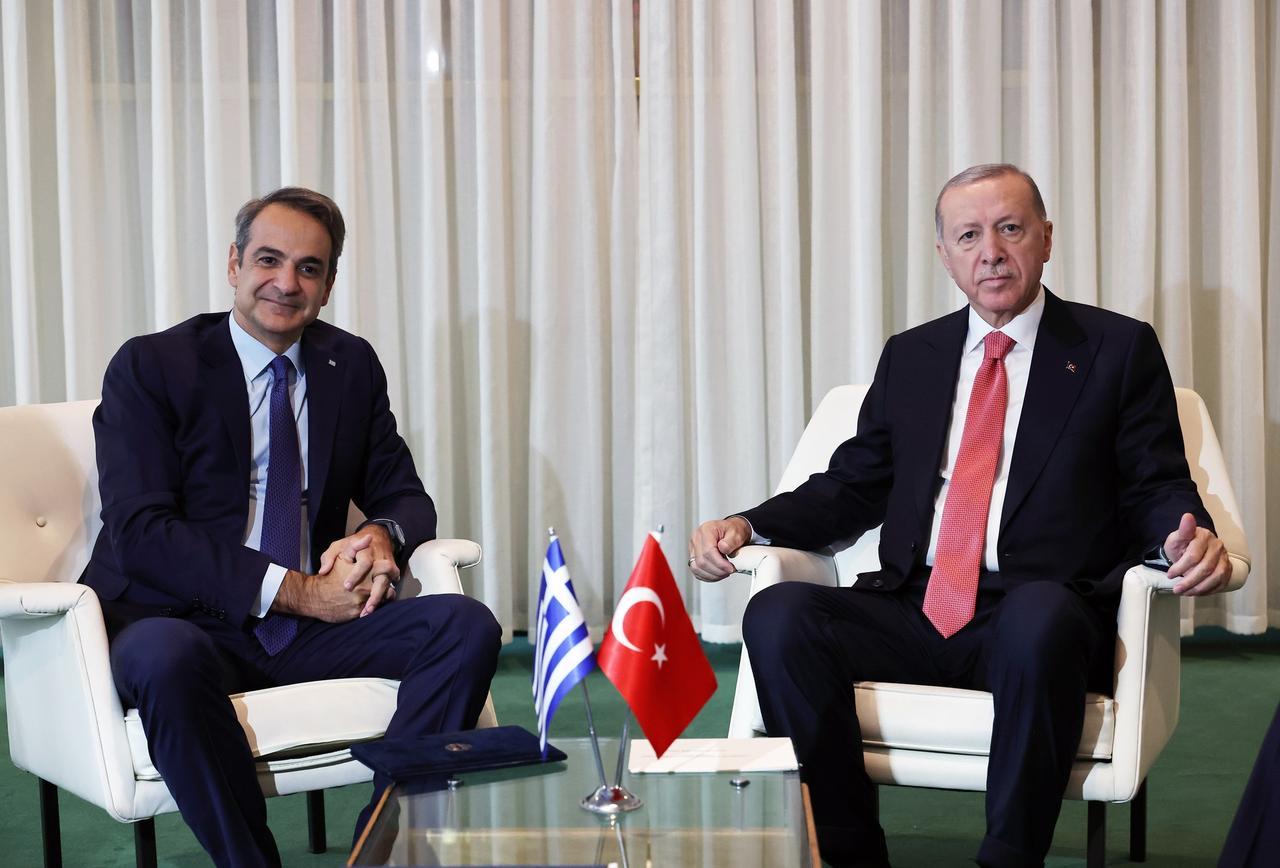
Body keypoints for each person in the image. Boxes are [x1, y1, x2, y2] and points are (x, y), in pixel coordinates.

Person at [688, 164, 1234, 868]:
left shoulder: (1114, 350)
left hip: (1038, 613)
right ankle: (849, 850)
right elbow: (854, 486)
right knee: (780, 616)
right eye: (969, 235)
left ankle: (1007, 858)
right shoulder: (913, 357)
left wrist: (1185, 538)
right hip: (916, 608)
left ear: (1045, 239)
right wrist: (746, 524)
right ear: (945, 257)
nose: (992, 251)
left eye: (1010, 228)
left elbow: (1154, 480)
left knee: (1039, 618)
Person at [81, 187, 502, 867]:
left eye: (308, 268)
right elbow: (142, 531)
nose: (285, 282)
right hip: (181, 622)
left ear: (329, 285)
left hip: (309, 634)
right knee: (162, 658)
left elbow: (402, 493)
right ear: (234, 265)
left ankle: (382, 848)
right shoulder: (154, 366)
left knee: (465, 627)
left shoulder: (349, 364)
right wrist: (299, 591)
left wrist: (382, 537)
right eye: (268, 260)